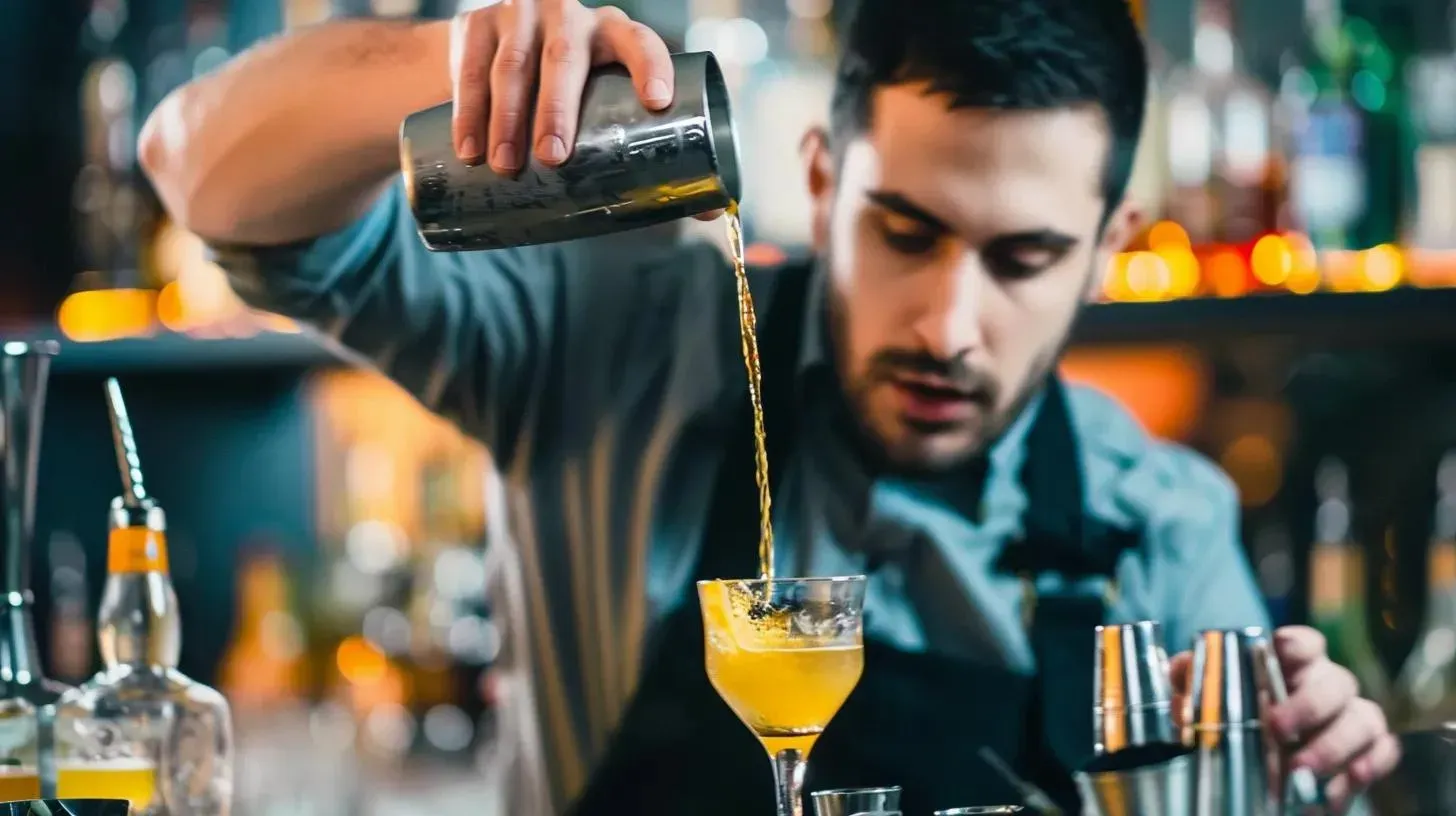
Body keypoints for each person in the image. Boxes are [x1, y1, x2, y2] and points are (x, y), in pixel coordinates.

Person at [139, 0, 1400, 812]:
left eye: (1021, 259)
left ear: (1111, 243)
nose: (947, 326)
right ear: (815, 175)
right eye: (904, 232)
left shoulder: (1160, 524)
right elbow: (199, 173)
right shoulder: (607, 342)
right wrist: (456, 58)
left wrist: (1297, 765)